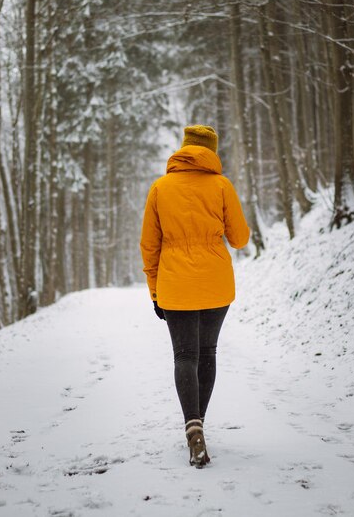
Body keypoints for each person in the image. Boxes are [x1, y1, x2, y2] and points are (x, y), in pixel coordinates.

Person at [140, 125, 250, 468]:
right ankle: (198, 423)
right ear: (212, 152)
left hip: (175, 283)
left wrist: (155, 291)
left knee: (184, 355)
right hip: (216, 283)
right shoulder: (221, 185)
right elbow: (241, 238)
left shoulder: (160, 188)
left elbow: (149, 247)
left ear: (183, 148)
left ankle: (193, 426)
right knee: (208, 352)